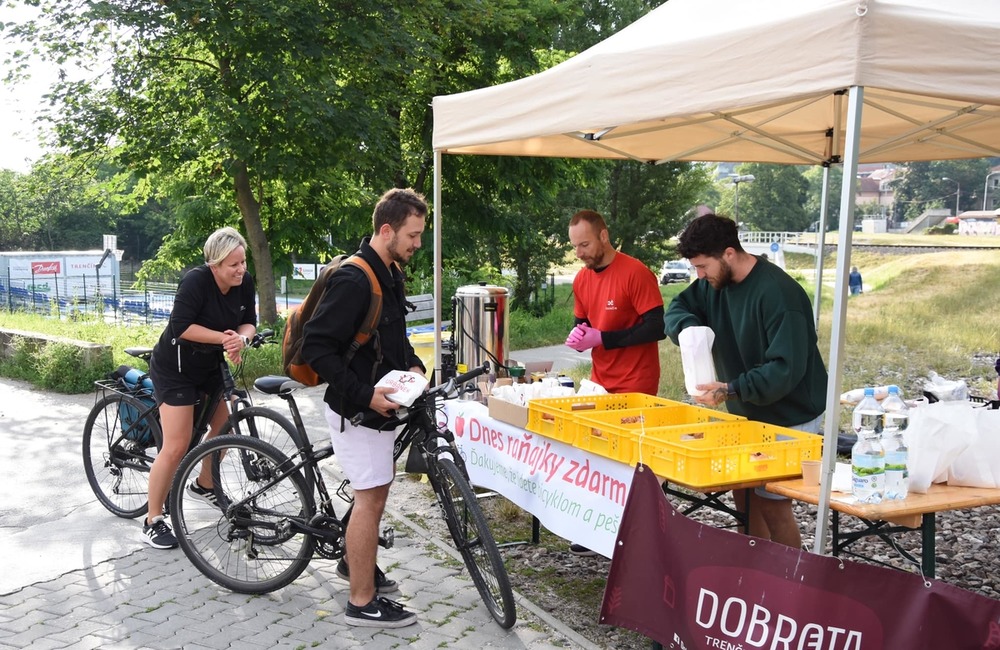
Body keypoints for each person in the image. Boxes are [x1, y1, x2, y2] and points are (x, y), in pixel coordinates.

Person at [301, 188, 427, 628]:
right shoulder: (356, 279)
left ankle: (356, 567)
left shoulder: (389, 271)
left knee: (374, 495)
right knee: (370, 500)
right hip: (357, 411)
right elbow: (316, 347)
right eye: (412, 235)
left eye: (420, 236)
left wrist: (413, 365)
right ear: (387, 229)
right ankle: (361, 601)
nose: (416, 244)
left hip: (379, 408)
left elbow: (393, 337)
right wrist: (364, 394)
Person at [664, 214, 828, 549]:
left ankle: (793, 582)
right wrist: (688, 329)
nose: (699, 275)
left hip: (790, 413)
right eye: (695, 268)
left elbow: (785, 370)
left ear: (728, 253)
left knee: (772, 503)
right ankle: (752, 573)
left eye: (703, 266)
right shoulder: (713, 285)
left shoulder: (780, 295)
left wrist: (730, 389)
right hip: (745, 411)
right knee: (744, 497)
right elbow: (678, 306)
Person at [143, 227, 257, 549]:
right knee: (177, 445)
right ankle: (152, 519)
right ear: (214, 265)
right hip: (175, 368)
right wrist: (225, 338)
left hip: (209, 367)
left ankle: (205, 483)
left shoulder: (243, 283)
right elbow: (181, 326)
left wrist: (241, 338)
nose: (241, 269)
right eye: (233, 264)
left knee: (223, 427)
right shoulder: (195, 281)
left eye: (243, 262)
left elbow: (249, 321)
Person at [565, 209, 666, 555]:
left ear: (604, 236)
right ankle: (597, 528)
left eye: (585, 244)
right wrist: (579, 336)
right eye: (575, 246)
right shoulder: (582, 279)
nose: (580, 253)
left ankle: (633, 533)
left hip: (636, 381)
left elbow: (656, 327)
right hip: (600, 380)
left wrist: (603, 339)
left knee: (628, 459)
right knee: (596, 453)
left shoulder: (635, 272)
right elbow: (583, 323)